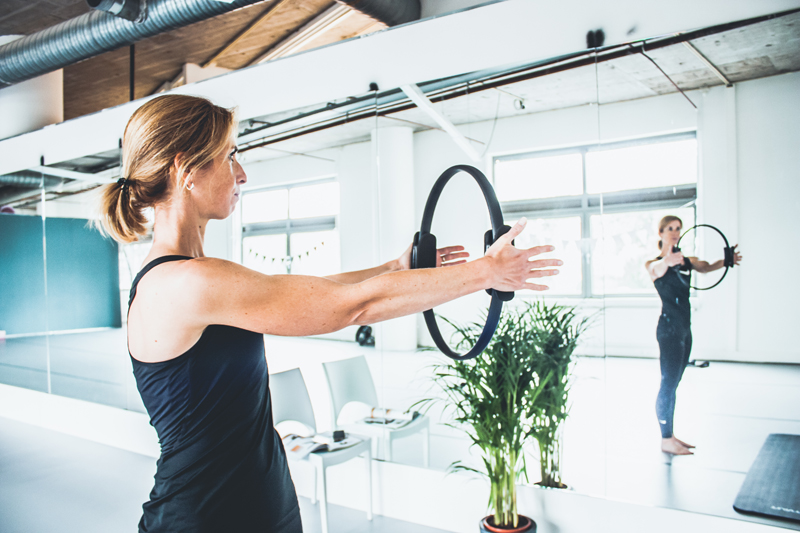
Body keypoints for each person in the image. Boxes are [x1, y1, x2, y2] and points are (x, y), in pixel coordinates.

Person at [98, 94, 562, 532]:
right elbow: (351, 307)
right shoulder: (184, 284)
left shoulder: (196, 277)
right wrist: (486, 272)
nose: (242, 175)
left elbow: (313, 292)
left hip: (253, 505)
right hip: (206, 517)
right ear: (186, 170)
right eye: (229, 156)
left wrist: (392, 268)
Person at [645, 215, 742, 455]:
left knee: (674, 383)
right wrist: (667, 259)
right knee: (668, 383)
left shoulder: (688, 261)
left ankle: (671, 435)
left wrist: (726, 260)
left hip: (684, 330)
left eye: (678, 228)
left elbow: (707, 266)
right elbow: (656, 269)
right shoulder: (654, 263)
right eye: (670, 229)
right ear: (661, 233)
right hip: (668, 330)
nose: (675, 232)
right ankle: (665, 440)